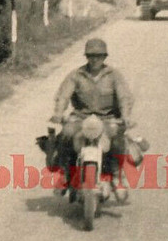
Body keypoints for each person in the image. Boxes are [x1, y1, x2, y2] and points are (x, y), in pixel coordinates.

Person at [49, 38, 133, 194]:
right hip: (81, 118)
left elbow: (124, 97)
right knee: (66, 134)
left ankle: (116, 175)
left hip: (107, 118)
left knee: (118, 138)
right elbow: (63, 96)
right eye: (91, 56)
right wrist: (58, 113)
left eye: (99, 56)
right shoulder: (77, 75)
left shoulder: (114, 75)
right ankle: (66, 174)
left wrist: (126, 116)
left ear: (104, 57)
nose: (95, 60)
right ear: (86, 57)